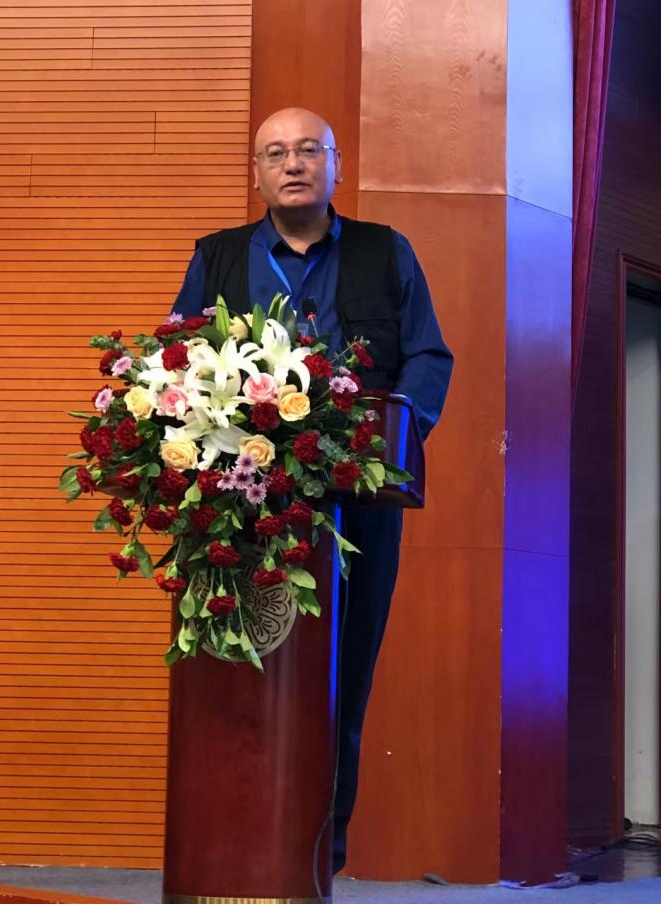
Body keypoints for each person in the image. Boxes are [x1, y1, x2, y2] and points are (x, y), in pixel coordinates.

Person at [171, 107, 453, 872]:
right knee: (238, 669)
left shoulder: (385, 251)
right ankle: (231, 850)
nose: (292, 164)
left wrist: (390, 437)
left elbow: (428, 358)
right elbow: (179, 358)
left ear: (335, 165)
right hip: (239, 504)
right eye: (275, 153)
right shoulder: (216, 256)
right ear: (256, 173)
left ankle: (319, 855)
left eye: (307, 150)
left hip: (358, 501)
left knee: (343, 676)